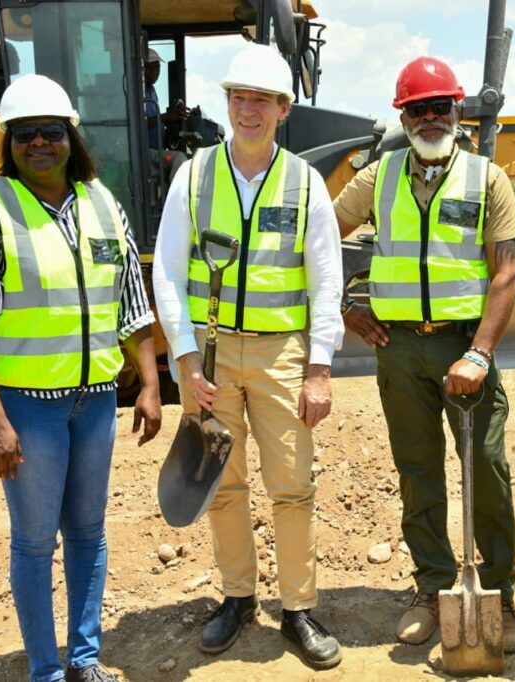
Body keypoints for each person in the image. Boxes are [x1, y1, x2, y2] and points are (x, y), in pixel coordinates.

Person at [0, 74, 161, 682]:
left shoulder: (102, 203)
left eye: (51, 132)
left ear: (71, 136)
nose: (39, 143)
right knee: (36, 543)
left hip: (93, 404)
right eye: (25, 134)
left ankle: (85, 661)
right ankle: (46, 670)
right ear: (8, 141)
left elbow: (131, 302)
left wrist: (147, 382)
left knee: (89, 535)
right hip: (28, 411)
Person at [151, 43, 344, 670]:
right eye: (239, 98)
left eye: (261, 100)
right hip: (211, 357)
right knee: (222, 484)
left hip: (282, 356)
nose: (248, 110)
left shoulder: (304, 182)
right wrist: (184, 360)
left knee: (292, 487)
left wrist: (318, 368)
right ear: (228, 103)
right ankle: (237, 598)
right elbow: (169, 274)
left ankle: (297, 610)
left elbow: (325, 280)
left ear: (283, 109)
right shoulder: (196, 174)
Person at [334, 56, 515, 653]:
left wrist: (481, 354)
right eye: (418, 108)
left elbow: (507, 273)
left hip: (465, 347)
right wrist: (345, 304)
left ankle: (500, 594)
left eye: (440, 107)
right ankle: (431, 585)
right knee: (418, 472)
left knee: (486, 471)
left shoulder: (486, 178)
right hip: (399, 351)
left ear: (458, 112)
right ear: (403, 116)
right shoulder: (377, 177)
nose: (430, 117)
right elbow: (319, 237)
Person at [144, 47, 189, 150]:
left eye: (157, 67)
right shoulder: (135, 92)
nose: (155, 71)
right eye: (149, 67)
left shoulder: (151, 90)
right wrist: (167, 117)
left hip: (159, 150)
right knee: (180, 159)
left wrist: (174, 118)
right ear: (141, 68)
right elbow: (139, 125)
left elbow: (155, 120)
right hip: (146, 152)